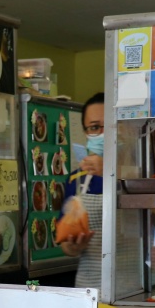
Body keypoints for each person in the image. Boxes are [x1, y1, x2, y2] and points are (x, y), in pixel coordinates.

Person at [57, 93, 105, 289]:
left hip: (138, 289)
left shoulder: (141, 173)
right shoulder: (77, 179)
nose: (102, 133)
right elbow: (65, 243)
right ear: (86, 133)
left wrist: (113, 172)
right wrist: (73, 246)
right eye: (94, 127)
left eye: (109, 125)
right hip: (91, 291)